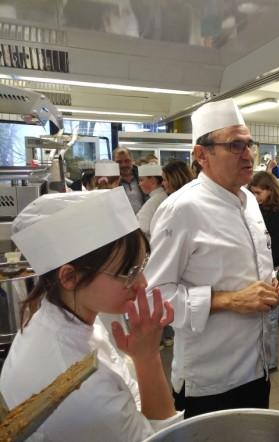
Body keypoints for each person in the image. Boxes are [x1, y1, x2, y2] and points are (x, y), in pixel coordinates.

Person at [145, 98, 279, 418]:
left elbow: (248, 274)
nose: (248, 154)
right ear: (202, 155)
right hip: (210, 381)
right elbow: (154, 297)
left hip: (257, 367)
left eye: (249, 144)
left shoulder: (249, 201)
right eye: (234, 145)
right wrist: (228, 300)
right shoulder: (181, 209)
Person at [0, 188, 181, 441]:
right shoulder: (82, 394)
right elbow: (165, 439)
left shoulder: (60, 317)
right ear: (69, 277)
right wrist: (148, 358)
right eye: (129, 273)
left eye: (142, 266)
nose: (143, 283)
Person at [249, 171, 279, 370]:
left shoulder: (277, 215)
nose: (255, 197)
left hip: (275, 270)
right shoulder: (267, 209)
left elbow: (274, 249)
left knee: (271, 319)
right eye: (253, 193)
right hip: (273, 268)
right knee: (267, 317)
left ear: (270, 191)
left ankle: (271, 362)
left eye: (258, 193)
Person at [136, 164, 167, 239]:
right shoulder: (163, 196)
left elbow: (143, 228)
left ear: (153, 181)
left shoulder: (153, 202)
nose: (139, 184)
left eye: (141, 180)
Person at [114, 147, 146, 213]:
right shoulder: (110, 182)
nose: (123, 165)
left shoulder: (143, 177)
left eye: (127, 161)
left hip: (144, 218)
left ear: (132, 161)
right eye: (119, 162)